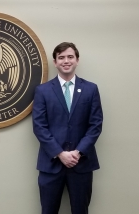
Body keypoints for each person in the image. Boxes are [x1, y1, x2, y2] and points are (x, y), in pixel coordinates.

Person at [32, 42, 103, 214]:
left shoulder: (90, 89)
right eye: (61, 57)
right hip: (51, 164)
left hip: (81, 164)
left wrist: (77, 152)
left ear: (77, 60)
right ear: (55, 62)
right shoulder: (43, 91)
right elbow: (39, 126)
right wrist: (60, 153)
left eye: (70, 57)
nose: (66, 61)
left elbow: (95, 125)